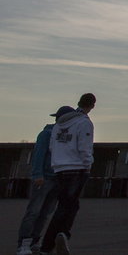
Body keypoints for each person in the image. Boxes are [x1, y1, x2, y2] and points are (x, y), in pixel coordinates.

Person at [40, 92, 97, 255]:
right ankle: (59, 236)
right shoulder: (84, 122)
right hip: (76, 168)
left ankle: (55, 240)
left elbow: (52, 147)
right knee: (67, 206)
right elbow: (84, 147)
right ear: (92, 105)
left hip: (59, 168)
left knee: (67, 204)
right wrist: (88, 164)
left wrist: (57, 163)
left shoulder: (58, 124)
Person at [15, 107, 67, 255]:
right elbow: (39, 155)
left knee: (45, 213)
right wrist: (38, 174)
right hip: (44, 178)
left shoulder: (63, 136)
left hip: (57, 179)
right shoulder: (46, 134)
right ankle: (23, 244)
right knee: (34, 211)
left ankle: (34, 242)